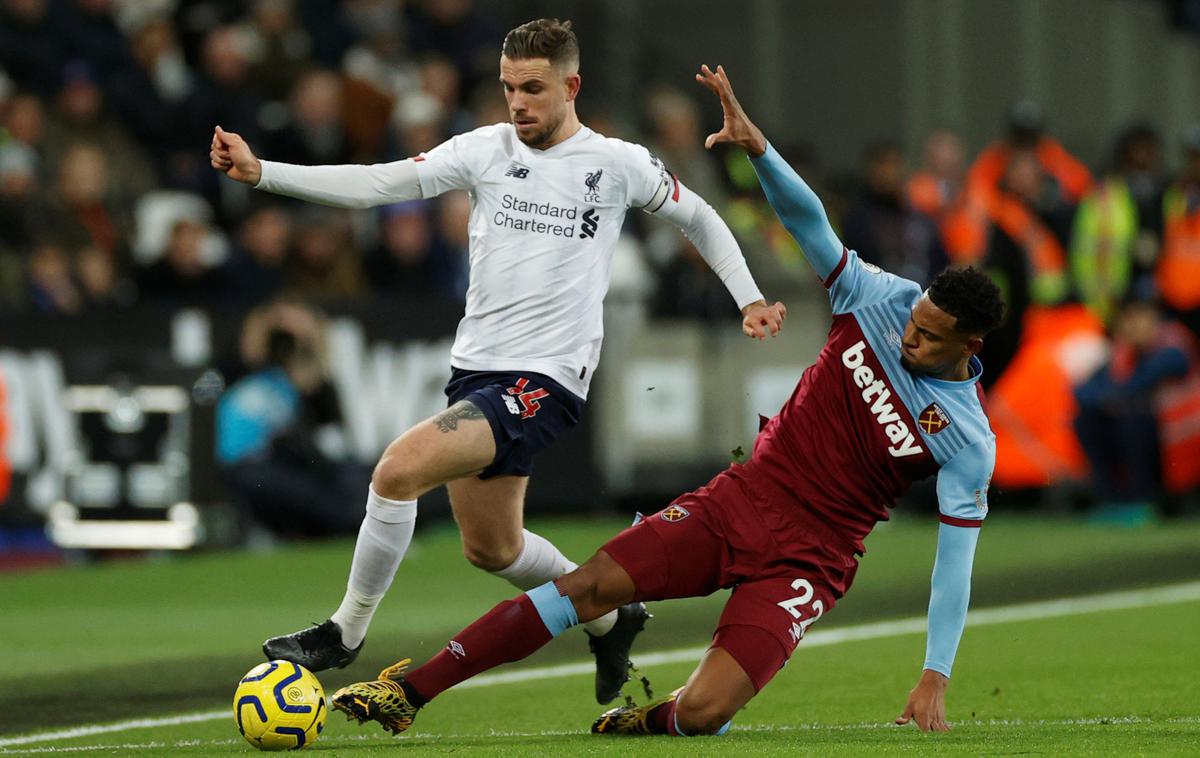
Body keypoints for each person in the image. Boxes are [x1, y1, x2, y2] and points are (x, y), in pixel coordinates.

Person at [324, 64, 1004, 738]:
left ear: (967, 343)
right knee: (588, 588)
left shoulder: (968, 439)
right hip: (741, 500)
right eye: (915, 320)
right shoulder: (882, 299)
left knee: (705, 714)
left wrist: (935, 672)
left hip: (814, 557)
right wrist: (759, 149)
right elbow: (809, 222)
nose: (910, 336)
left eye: (929, 336)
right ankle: (409, 691)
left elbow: (954, 564)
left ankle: (648, 719)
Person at [209, 19, 786, 705]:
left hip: (545, 379)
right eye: (509, 87)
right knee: (493, 548)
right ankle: (610, 615)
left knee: (397, 469)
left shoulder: (617, 164)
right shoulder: (486, 149)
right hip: (477, 371)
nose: (519, 103)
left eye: (534, 89)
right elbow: (377, 183)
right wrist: (261, 172)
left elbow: (701, 218)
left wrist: (748, 298)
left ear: (571, 86)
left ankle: (345, 631)